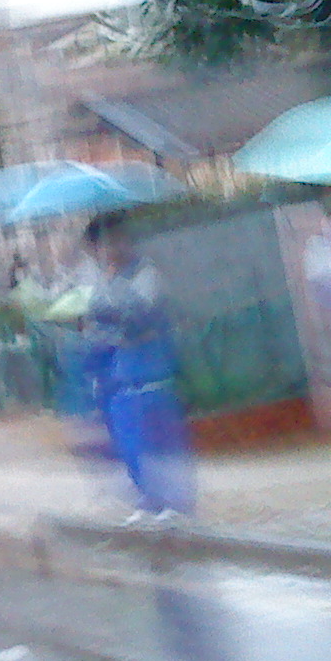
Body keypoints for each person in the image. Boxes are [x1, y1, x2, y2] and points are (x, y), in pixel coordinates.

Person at [82, 212, 192, 522]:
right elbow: (94, 330)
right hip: (121, 376)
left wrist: (104, 315)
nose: (110, 249)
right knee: (132, 443)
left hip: (154, 373)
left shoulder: (146, 274)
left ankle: (177, 504)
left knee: (162, 441)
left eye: (116, 240)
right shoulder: (102, 281)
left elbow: (138, 315)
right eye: (102, 245)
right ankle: (149, 499)